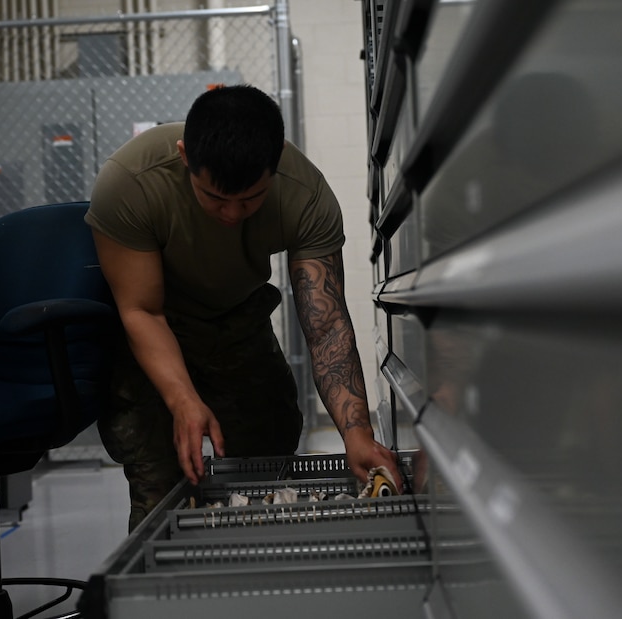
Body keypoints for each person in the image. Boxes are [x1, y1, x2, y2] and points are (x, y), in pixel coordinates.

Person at [86, 84, 402, 531]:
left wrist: (357, 434)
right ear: (184, 157)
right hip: (156, 328)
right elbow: (142, 312)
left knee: (270, 456)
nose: (232, 214)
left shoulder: (305, 196)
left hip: (237, 320)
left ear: (273, 169)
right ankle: (166, 592)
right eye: (215, 197)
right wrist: (183, 400)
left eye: (250, 199)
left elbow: (326, 326)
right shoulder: (131, 183)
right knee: (161, 481)